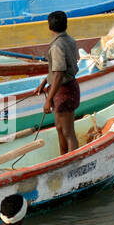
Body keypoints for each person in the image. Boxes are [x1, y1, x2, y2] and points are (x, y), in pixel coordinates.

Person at [35, 10, 80, 156]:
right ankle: (63, 157)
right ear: (66, 25)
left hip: (64, 91)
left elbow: (60, 74)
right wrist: (44, 81)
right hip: (68, 88)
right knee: (60, 128)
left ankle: (72, 162)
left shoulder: (56, 46)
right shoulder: (70, 40)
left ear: (50, 27)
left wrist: (48, 100)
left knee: (68, 132)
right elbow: (58, 69)